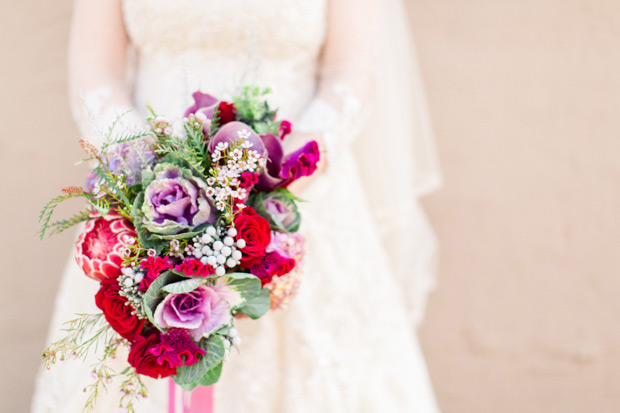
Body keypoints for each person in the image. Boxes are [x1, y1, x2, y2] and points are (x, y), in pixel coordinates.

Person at [32, 0, 442, 411]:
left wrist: (274, 173)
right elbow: (96, 76)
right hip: (148, 199)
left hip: (297, 197)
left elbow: (349, 76)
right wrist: (151, 182)